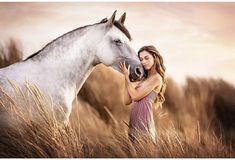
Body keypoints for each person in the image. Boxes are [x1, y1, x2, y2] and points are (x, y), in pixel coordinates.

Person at [119, 45, 166, 143]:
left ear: (154, 57)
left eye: (146, 58)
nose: (143, 62)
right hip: (134, 120)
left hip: (144, 121)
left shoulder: (157, 78)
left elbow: (135, 96)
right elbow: (126, 101)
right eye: (141, 59)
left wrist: (127, 78)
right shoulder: (142, 79)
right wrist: (127, 77)